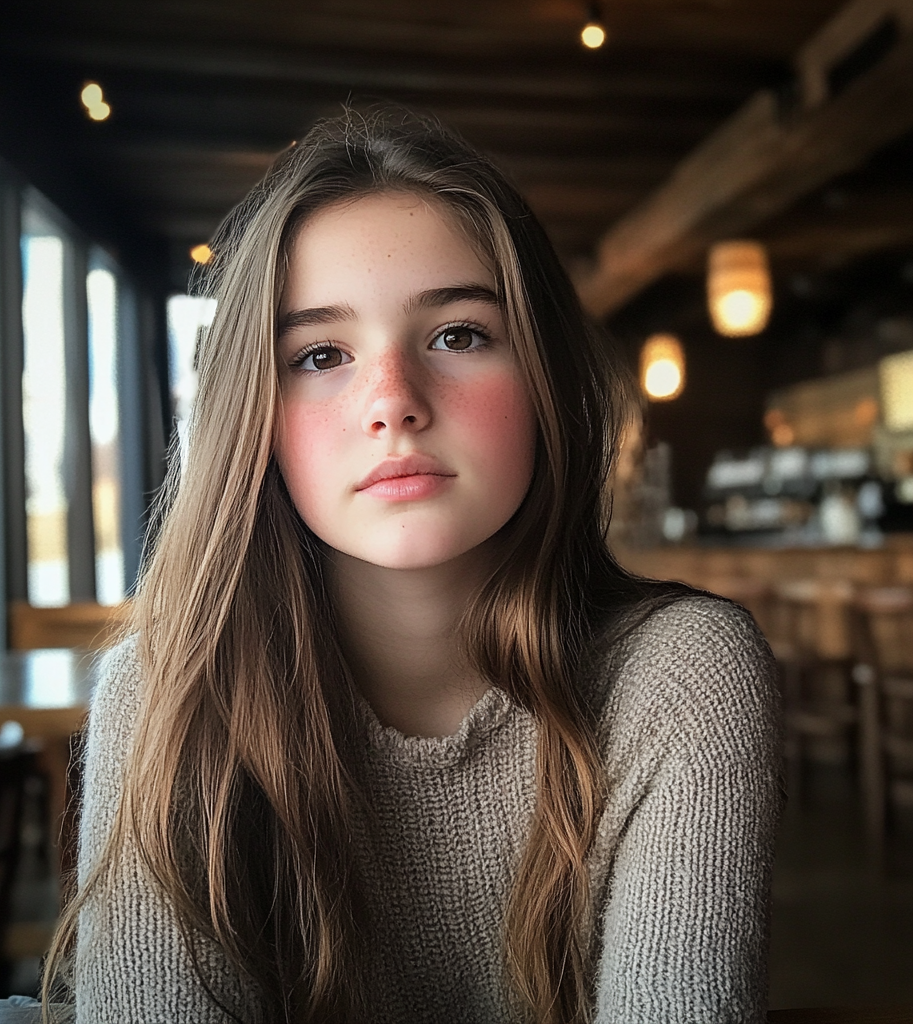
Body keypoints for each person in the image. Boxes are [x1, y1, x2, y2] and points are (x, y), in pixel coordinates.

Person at [44, 108, 782, 1024]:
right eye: (320, 355)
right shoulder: (167, 690)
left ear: (547, 375)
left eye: (459, 334)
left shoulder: (679, 678)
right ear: (253, 420)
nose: (392, 403)